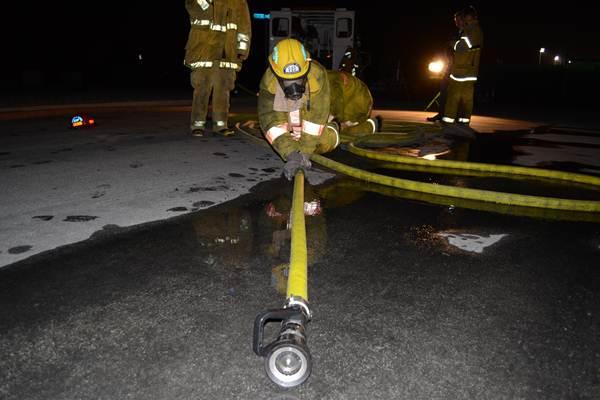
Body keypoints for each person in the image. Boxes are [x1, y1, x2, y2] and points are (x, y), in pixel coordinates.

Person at [258, 38, 379, 180]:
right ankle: (337, 126)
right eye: (287, 81)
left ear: (307, 69)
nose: (294, 88)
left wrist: (304, 153)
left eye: (299, 79)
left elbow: (316, 120)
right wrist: (291, 154)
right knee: (297, 131)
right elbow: (271, 123)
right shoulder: (269, 83)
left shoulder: (318, 76)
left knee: (322, 141)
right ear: (276, 74)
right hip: (333, 103)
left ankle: (341, 128)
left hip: (357, 102)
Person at [184, 0, 251, 137]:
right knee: (201, 88)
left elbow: (244, 28)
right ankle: (197, 124)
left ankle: (221, 125)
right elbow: (193, 9)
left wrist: (241, 50)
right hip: (203, 50)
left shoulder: (239, 2)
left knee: (223, 90)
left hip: (227, 52)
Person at [439, 5, 483, 127]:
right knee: (466, 100)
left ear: (468, 17)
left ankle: (448, 122)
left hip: (461, 70)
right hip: (469, 71)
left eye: (463, 17)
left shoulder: (471, 30)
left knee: (453, 97)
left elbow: (462, 47)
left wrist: (452, 44)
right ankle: (463, 123)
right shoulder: (476, 30)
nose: (461, 21)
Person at [426, 12, 464, 122]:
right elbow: (447, 47)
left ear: (464, 20)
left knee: (456, 93)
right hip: (450, 66)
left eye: (459, 20)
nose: (457, 22)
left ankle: (455, 116)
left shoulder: (466, 33)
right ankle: (441, 114)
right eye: (455, 20)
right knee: (443, 89)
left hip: (460, 67)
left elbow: (464, 49)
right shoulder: (455, 33)